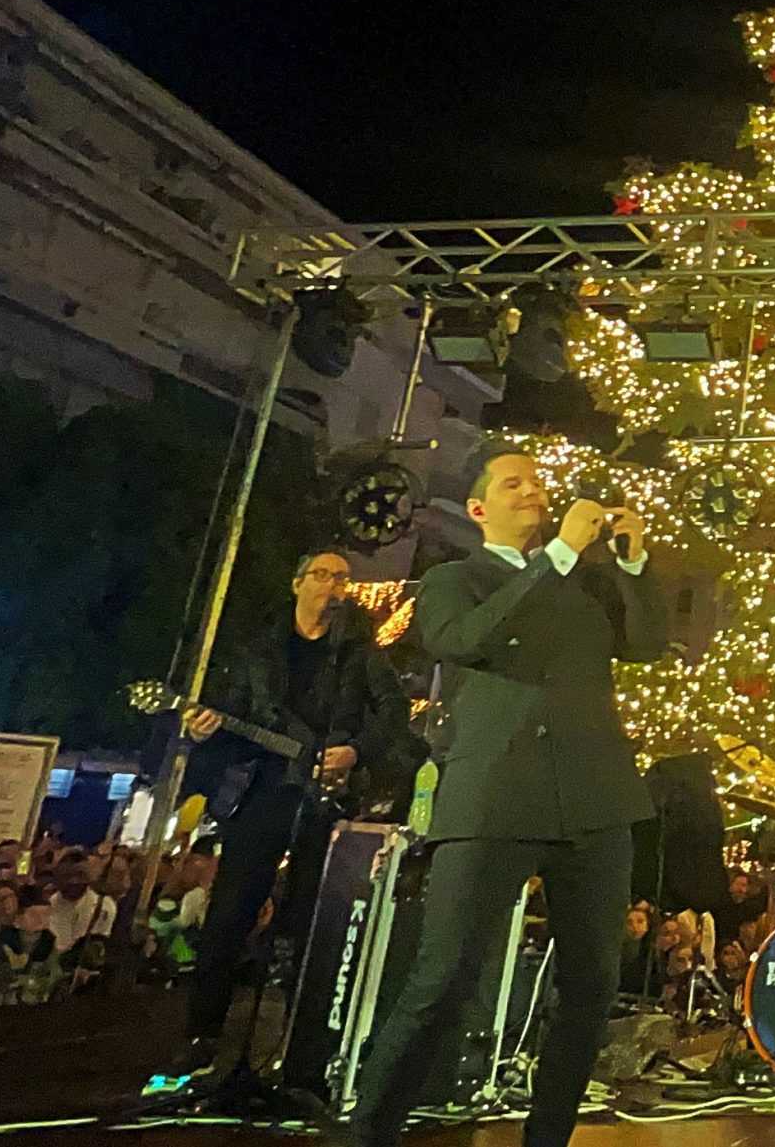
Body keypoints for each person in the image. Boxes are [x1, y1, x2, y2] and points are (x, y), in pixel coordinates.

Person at [348, 443, 668, 1147]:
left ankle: (546, 1136)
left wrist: (636, 562)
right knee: (444, 976)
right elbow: (463, 638)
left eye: (538, 482)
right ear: (478, 508)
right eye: (514, 483)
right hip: (495, 792)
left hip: (595, 794)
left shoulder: (587, 582)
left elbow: (647, 642)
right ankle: (368, 1133)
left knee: (589, 985)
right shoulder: (456, 578)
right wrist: (555, 556)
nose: (533, 491)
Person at [155, 549, 409, 1085]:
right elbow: (231, 720)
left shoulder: (360, 656)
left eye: (342, 577)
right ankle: (203, 1039)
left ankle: (306, 1052)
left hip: (326, 806)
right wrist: (204, 728)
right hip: (263, 797)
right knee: (227, 919)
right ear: (298, 584)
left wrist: (354, 753)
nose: (334, 585)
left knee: (312, 926)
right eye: (323, 574)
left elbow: (395, 719)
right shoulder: (259, 653)